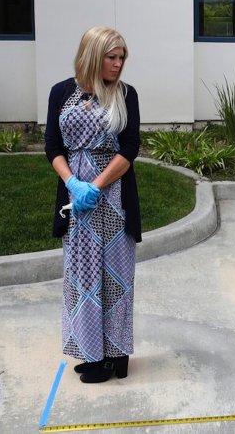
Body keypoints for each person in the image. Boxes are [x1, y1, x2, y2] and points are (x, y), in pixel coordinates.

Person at [44, 26, 141, 384]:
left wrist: (96, 186)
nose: (118, 65)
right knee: (82, 279)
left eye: (121, 58)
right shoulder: (61, 92)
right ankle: (92, 353)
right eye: (111, 57)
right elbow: (52, 145)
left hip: (113, 199)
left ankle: (116, 355)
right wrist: (71, 182)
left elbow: (129, 149)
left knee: (115, 280)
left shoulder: (125, 95)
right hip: (76, 200)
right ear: (92, 55)